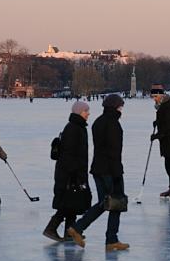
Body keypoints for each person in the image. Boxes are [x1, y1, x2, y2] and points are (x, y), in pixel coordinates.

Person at [67, 94, 129, 252]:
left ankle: (81, 228)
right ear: (116, 107)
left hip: (98, 169)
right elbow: (114, 151)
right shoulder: (113, 124)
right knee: (116, 202)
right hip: (110, 170)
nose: (122, 109)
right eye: (121, 106)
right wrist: (116, 174)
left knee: (104, 202)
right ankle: (109, 239)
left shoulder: (98, 122)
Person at [44, 101, 90, 242]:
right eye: (85, 111)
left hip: (71, 172)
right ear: (79, 112)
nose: (88, 114)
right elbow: (69, 155)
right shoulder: (73, 129)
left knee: (72, 203)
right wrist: (76, 174)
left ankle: (70, 233)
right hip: (69, 174)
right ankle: (51, 228)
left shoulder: (77, 127)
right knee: (67, 203)